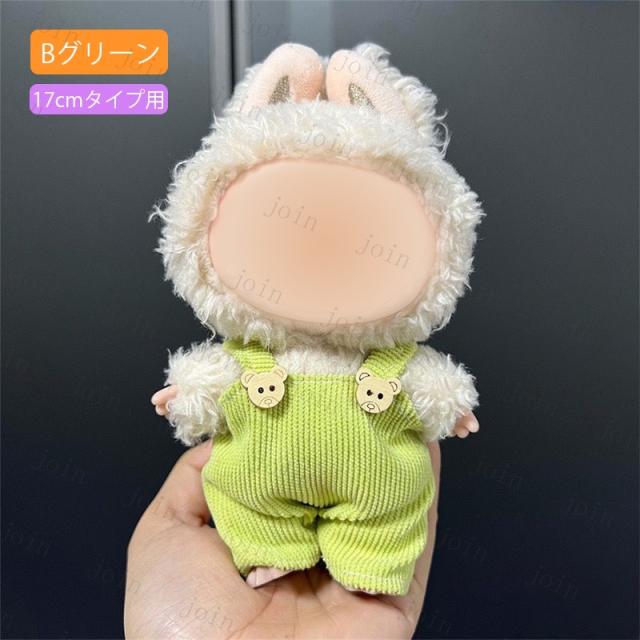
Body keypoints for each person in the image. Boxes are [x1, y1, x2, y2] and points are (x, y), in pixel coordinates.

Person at [124, 440, 441, 639]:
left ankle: (368, 566)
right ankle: (273, 555)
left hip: (365, 468)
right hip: (277, 467)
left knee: (382, 511)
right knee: (254, 498)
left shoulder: (391, 365)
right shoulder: (251, 361)